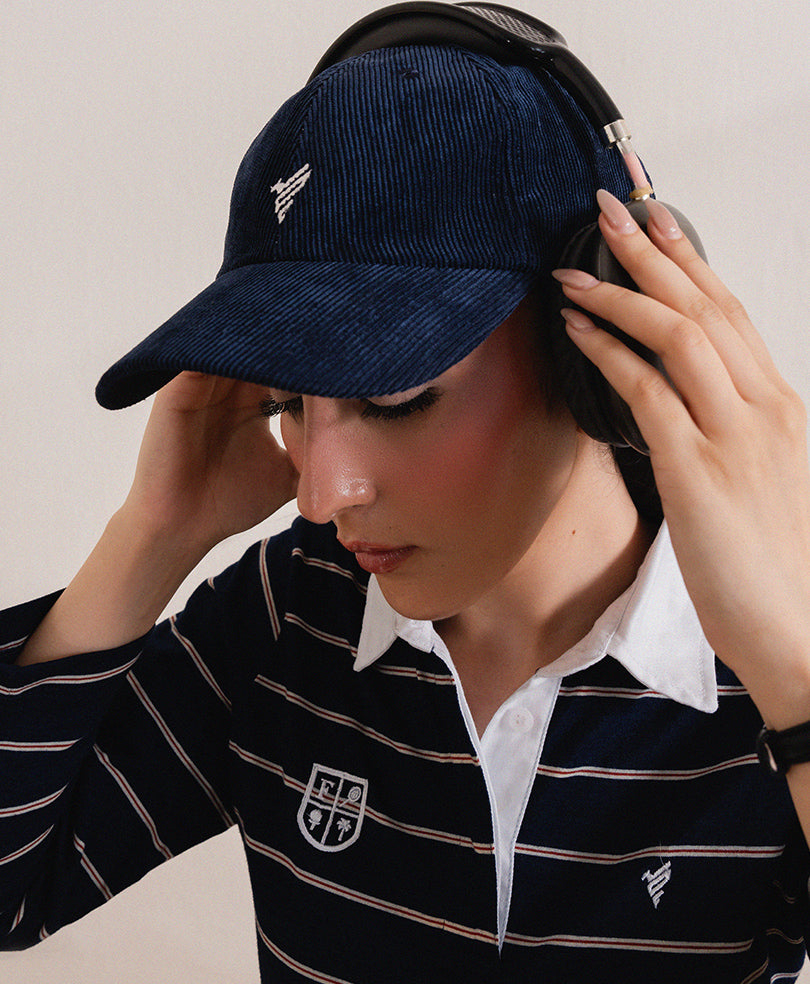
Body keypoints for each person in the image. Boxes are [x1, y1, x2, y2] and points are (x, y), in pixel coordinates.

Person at [3, 7, 810, 983]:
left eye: (395, 398)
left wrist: (794, 675)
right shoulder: (290, 612)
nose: (321, 495)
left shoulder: (773, 652)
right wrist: (151, 536)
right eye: (288, 402)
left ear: (596, 345)